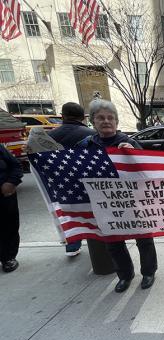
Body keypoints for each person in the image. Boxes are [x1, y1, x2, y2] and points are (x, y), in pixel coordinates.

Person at [79, 99, 158, 293]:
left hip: (133, 201)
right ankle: (125, 275)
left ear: (116, 122)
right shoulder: (85, 145)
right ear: (93, 121)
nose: (106, 121)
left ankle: (148, 272)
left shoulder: (129, 143)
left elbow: (148, 171)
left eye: (110, 118)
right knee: (113, 242)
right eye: (101, 118)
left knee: (144, 239)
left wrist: (135, 155)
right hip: (104, 203)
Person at [48, 102, 96, 257]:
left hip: (61, 183)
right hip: (86, 182)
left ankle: (73, 245)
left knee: (68, 213)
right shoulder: (91, 134)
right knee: (91, 213)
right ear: (83, 117)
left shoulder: (49, 137)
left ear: (63, 116)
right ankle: (97, 242)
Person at [0, 144, 23, 272]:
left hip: (4, 195)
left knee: (9, 227)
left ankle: (8, 257)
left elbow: (16, 166)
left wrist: (11, 182)